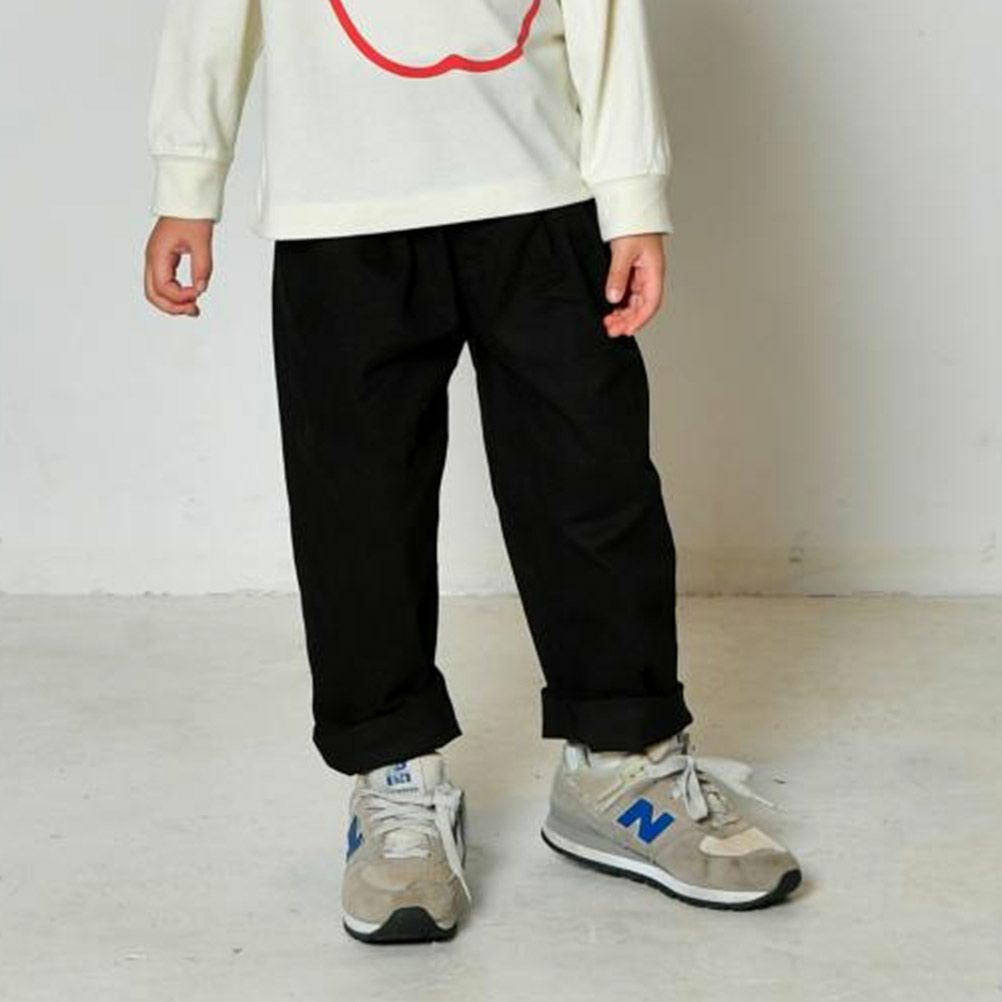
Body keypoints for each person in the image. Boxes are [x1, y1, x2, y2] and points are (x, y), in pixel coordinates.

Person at [144, 0, 801, 944]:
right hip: (342, 208)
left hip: (540, 190)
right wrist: (188, 180)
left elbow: (606, 11)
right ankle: (394, 778)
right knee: (358, 510)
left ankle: (622, 763)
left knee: (592, 481)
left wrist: (631, 195)